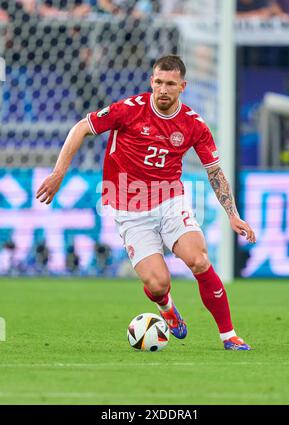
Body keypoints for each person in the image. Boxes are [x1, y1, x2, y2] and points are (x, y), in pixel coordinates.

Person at [36, 55, 256, 350]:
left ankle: (229, 336)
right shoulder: (128, 110)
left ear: (182, 86)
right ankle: (167, 308)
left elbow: (214, 171)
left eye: (170, 84)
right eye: (158, 82)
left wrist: (233, 214)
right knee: (157, 284)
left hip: (170, 201)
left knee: (199, 260)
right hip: (129, 208)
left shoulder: (194, 125)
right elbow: (81, 128)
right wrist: (58, 174)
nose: (163, 89)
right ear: (152, 81)